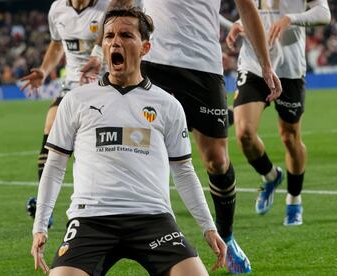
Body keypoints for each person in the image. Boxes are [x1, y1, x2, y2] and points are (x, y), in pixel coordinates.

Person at [82, 0, 282, 274]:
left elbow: (248, 8)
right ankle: (124, 231)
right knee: (136, 146)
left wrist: (266, 64)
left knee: (217, 160)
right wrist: (98, 49)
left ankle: (227, 237)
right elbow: (120, 2)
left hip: (202, 65)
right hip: (152, 61)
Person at [31, 7, 227, 276]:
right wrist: (40, 226)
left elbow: (183, 171)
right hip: (91, 221)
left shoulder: (167, 105)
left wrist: (208, 226)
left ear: (145, 47)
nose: (115, 42)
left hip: (153, 219)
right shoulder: (76, 100)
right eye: (109, 35)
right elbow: (54, 166)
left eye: (126, 35)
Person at [226, 0, 331, 225]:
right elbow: (253, 9)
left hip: (289, 68)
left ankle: (294, 200)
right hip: (254, 63)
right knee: (244, 133)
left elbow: (324, 13)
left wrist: (290, 19)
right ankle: (271, 176)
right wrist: (237, 22)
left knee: (290, 137)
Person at [20, 0, 119, 225]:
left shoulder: (109, 6)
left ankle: (102, 203)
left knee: (101, 145)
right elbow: (57, 45)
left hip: (105, 85)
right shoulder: (57, 9)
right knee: (51, 125)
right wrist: (44, 71)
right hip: (72, 85)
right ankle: (45, 204)